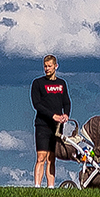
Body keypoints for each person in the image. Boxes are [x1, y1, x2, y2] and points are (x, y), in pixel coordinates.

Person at [31, 54, 71, 188]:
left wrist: (65, 115)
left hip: (57, 127)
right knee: (41, 157)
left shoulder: (61, 83)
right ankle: (37, 186)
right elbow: (37, 104)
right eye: (45, 66)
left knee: (51, 158)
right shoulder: (38, 83)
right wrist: (52, 115)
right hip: (42, 125)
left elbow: (66, 102)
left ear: (56, 66)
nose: (47, 69)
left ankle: (51, 187)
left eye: (49, 66)